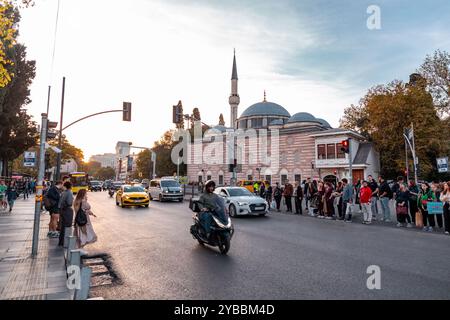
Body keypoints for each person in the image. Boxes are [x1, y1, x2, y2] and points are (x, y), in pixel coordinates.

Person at [58, 181, 74, 246]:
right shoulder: (69, 193)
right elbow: (69, 202)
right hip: (67, 210)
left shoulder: (63, 192)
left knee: (63, 226)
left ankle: (61, 241)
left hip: (62, 210)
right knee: (67, 226)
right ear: (70, 186)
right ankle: (66, 242)